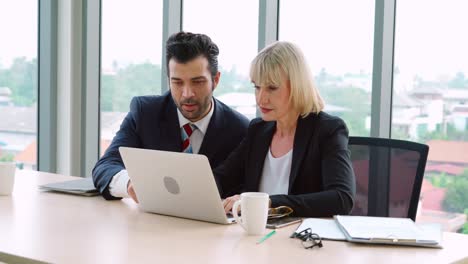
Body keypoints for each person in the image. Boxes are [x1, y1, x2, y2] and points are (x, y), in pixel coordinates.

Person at [93, 32, 249, 202]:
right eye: (177, 82)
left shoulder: (240, 129)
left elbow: (245, 189)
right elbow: (105, 166)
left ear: (216, 80)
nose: (187, 94)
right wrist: (130, 184)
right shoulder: (145, 113)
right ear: (169, 80)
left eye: (197, 82)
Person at [216, 41, 355, 217]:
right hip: (255, 235)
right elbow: (223, 177)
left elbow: (341, 199)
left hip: (300, 238)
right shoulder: (258, 130)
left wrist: (269, 202)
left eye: (272, 88)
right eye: (257, 87)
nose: (261, 98)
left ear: (297, 86)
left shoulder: (327, 130)